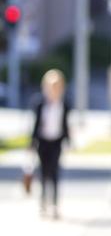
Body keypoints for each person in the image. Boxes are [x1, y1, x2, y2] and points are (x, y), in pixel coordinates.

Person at [31, 69, 71, 219]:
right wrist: (31, 143)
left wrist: (69, 140)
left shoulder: (64, 103)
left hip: (56, 141)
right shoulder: (40, 103)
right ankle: (43, 203)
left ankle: (54, 204)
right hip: (42, 141)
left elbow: (65, 124)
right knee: (43, 172)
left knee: (54, 172)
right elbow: (35, 124)